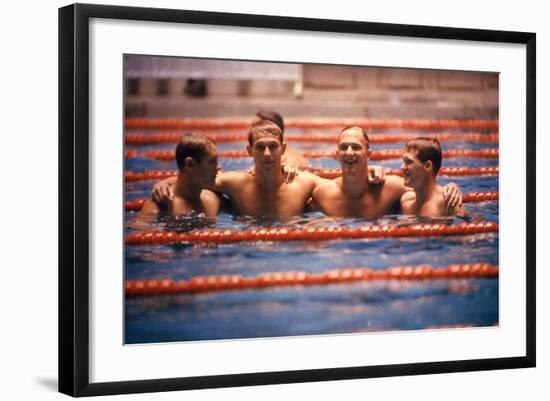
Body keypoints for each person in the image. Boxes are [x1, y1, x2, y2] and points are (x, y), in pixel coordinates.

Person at [309, 126, 462, 218]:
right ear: (336, 155)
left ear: (369, 154)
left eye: (356, 147)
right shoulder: (322, 194)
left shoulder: (391, 188)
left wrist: (451, 187)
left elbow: (428, 190)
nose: (349, 152)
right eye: (343, 147)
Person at [137, 132, 222, 222]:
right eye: (212, 161)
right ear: (190, 164)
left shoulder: (214, 200)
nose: (219, 167)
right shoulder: (159, 208)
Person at [399, 137, 465, 217]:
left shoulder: (448, 203)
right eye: (403, 161)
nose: (402, 167)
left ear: (427, 166)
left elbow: (474, 223)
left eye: (408, 162)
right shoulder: (406, 201)